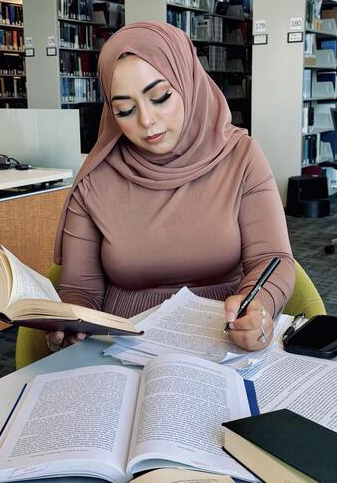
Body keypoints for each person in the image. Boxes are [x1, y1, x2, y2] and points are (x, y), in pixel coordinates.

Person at [46, 21, 295, 353]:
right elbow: (81, 289)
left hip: (224, 342)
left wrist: (260, 306)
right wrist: (70, 321)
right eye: (125, 109)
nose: (146, 120)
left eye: (160, 97)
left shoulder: (241, 156)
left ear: (188, 82)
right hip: (123, 350)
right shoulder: (96, 178)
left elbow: (272, 259)